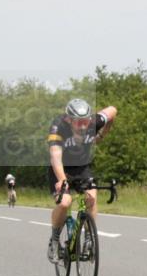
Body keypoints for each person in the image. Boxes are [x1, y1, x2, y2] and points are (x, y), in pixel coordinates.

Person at [46, 98, 117, 262]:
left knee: (91, 197)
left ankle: (88, 239)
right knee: (65, 202)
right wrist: (63, 181)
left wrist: (101, 135)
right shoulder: (58, 127)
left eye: (86, 121)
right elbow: (55, 157)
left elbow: (112, 110)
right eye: (78, 123)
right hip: (60, 168)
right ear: (68, 119)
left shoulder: (94, 122)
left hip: (82, 167)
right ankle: (55, 241)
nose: (83, 126)